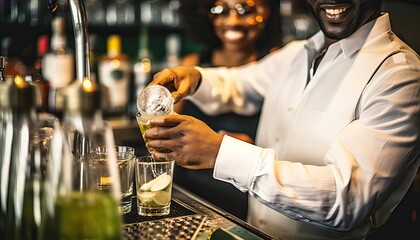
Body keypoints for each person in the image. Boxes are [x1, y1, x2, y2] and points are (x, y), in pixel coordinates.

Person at [145, 0, 420, 239]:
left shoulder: (400, 76)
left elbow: (346, 200)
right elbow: (240, 84)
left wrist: (219, 153)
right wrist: (195, 77)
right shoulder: (296, 53)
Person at [173, 0, 282, 220]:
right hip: (191, 196)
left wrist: (248, 149)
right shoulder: (192, 66)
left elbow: (288, 149)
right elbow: (168, 128)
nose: (232, 21)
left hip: (247, 201)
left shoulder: (280, 66)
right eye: (220, 10)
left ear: (266, 12)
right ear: (206, 15)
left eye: (245, 10)